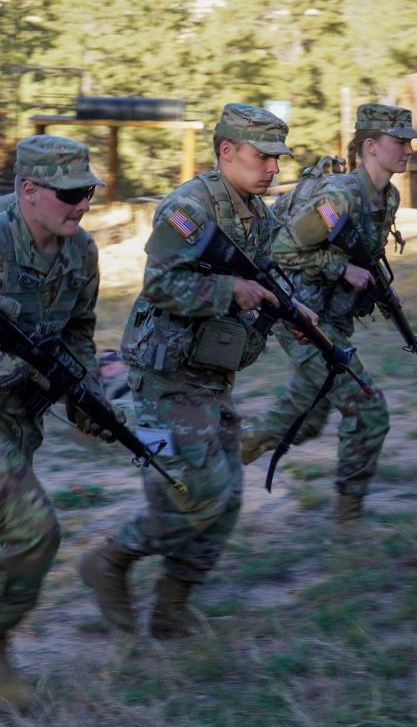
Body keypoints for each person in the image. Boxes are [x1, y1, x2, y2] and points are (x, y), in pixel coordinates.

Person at [80, 104, 314, 638]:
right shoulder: (188, 209)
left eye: (278, 158)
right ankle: (110, 561)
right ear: (227, 151)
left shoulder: (258, 216)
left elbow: (266, 285)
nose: (274, 168)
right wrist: (228, 290)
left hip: (210, 377)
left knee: (225, 498)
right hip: (162, 378)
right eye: (263, 156)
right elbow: (160, 286)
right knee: (196, 491)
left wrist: (292, 314)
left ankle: (171, 606)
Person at [0, 135, 109, 709]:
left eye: (89, 194)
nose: (81, 206)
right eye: (71, 194)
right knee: (33, 529)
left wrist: (87, 394)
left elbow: (78, 331)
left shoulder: (81, 253)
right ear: (29, 190)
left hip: (16, 419)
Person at [240, 103, 417, 522]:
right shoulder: (338, 197)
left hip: (331, 315)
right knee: (368, 408)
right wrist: (342, 269)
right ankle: (348, 514)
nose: (409, 149)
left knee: (305, 419)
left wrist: (381, 291)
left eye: (411, 141)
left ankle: (228, 451)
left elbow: (364, 257)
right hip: (299, 317)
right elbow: (283, 249)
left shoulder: (387, 197)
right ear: (371, 147)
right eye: (400, 141)